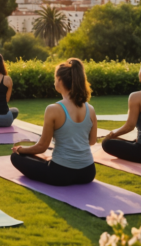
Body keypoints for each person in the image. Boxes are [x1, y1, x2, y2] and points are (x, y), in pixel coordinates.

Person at [10, 58, 97, 186]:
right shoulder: (90, 109)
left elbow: (42, 147)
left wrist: (21, 150)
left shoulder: (53, 109)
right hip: (88, 172)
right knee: (42, 159)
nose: (54, 81)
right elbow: (92, 141)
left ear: (60, 80)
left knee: (15, 158)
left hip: (61, 174)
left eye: (55, 78)